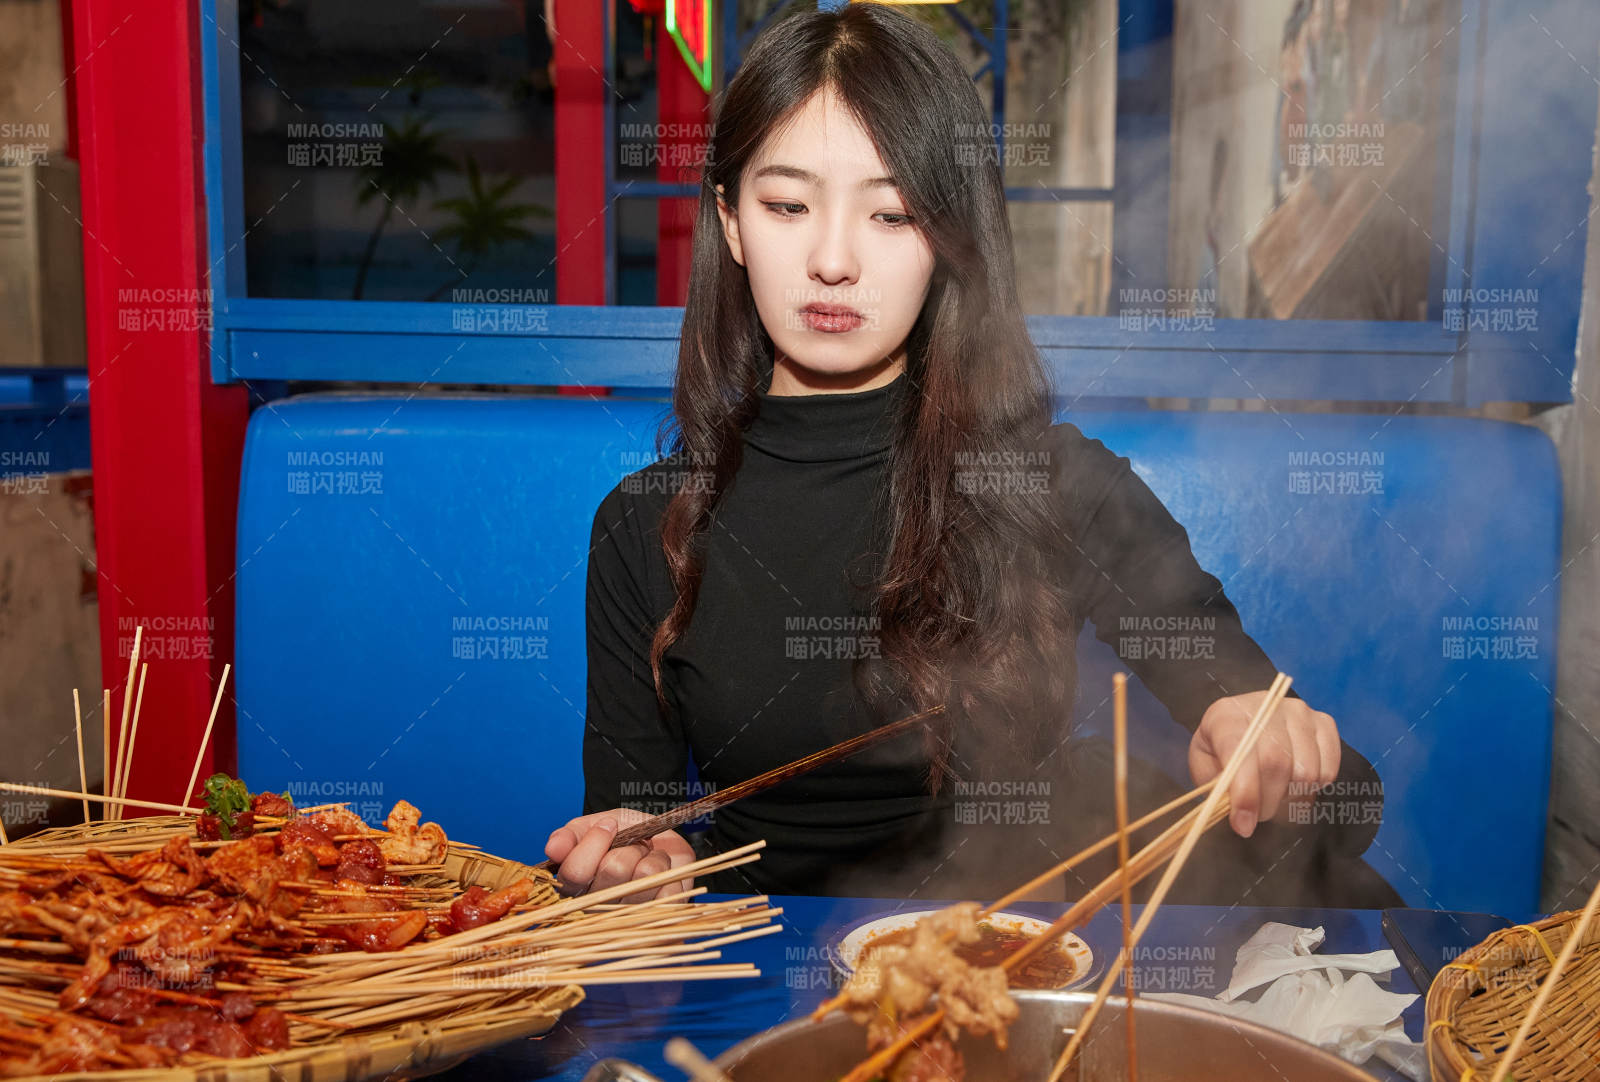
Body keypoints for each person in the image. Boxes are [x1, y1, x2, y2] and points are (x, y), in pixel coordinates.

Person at [544, 4, 1399, 908]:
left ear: (948, 241)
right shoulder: (645, 526)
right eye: (788, 205)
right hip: (757, 959)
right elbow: (632, 836)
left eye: (892, 214)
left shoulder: (1053, 485)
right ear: (730, 223)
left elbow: (1341, 802)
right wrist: (638, 868)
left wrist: (1264, 731)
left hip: (1025, 950)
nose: (832, 260)